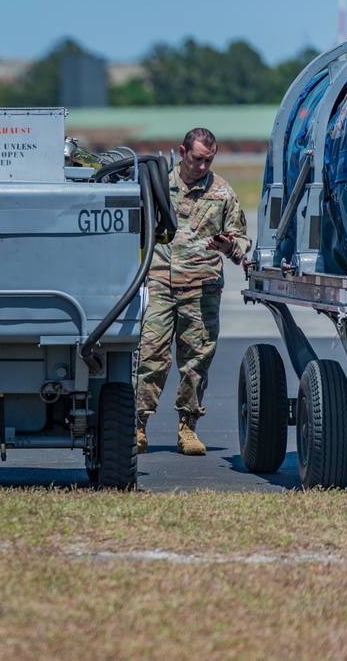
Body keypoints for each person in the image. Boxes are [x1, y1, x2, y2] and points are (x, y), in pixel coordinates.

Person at [135, 127, 249, 456]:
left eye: (208, 160)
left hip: (201, 287)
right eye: (197, 159)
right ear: (183, 152)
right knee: (149, 355)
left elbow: (240, 238)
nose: (202, 166)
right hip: (158, 282)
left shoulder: (223, 192)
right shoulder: (157, 187)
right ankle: (137, 424)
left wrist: (230, 247)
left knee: (196, 360)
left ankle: (188, 427)